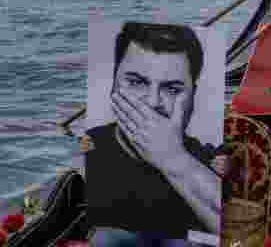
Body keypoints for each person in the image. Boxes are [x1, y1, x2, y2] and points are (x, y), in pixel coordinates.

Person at [81, 22, 222, 245]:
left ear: (194, 96)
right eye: (136, 82)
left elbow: (239, 232)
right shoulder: (87, 147)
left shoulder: (211, 161)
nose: (152, 102)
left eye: (172, 89)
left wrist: (173, 158)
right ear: (112, 85)